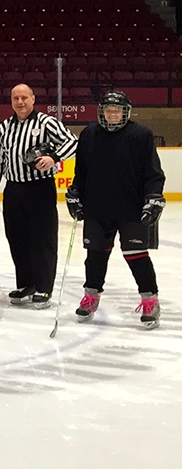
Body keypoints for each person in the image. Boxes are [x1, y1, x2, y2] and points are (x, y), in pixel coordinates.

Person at [68, 91, 165, 329]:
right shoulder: (90, 134)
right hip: (97, 207)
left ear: (125, 112)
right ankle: (91, 296)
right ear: (102, 112)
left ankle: (150, 300)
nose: (112, 114)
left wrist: (153, 197)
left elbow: (152, 172)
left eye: (117, 110)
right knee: (95, 255)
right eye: (108, 110)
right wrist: (74, 193)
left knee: (137, 256)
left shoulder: (140, 135)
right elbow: (81, 171)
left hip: (131, 208)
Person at [0, 83, 78, 307]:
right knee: (17, 239)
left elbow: (73, 142)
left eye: (24, 98)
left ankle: (44, 287)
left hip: (40, 188)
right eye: (16, 98)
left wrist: (54, 158)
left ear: (33, 99)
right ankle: (25, 283)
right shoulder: (5, 127)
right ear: (11, 101)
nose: (20, 102)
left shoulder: (46, 122)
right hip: (14, 190)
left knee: (42, 240)